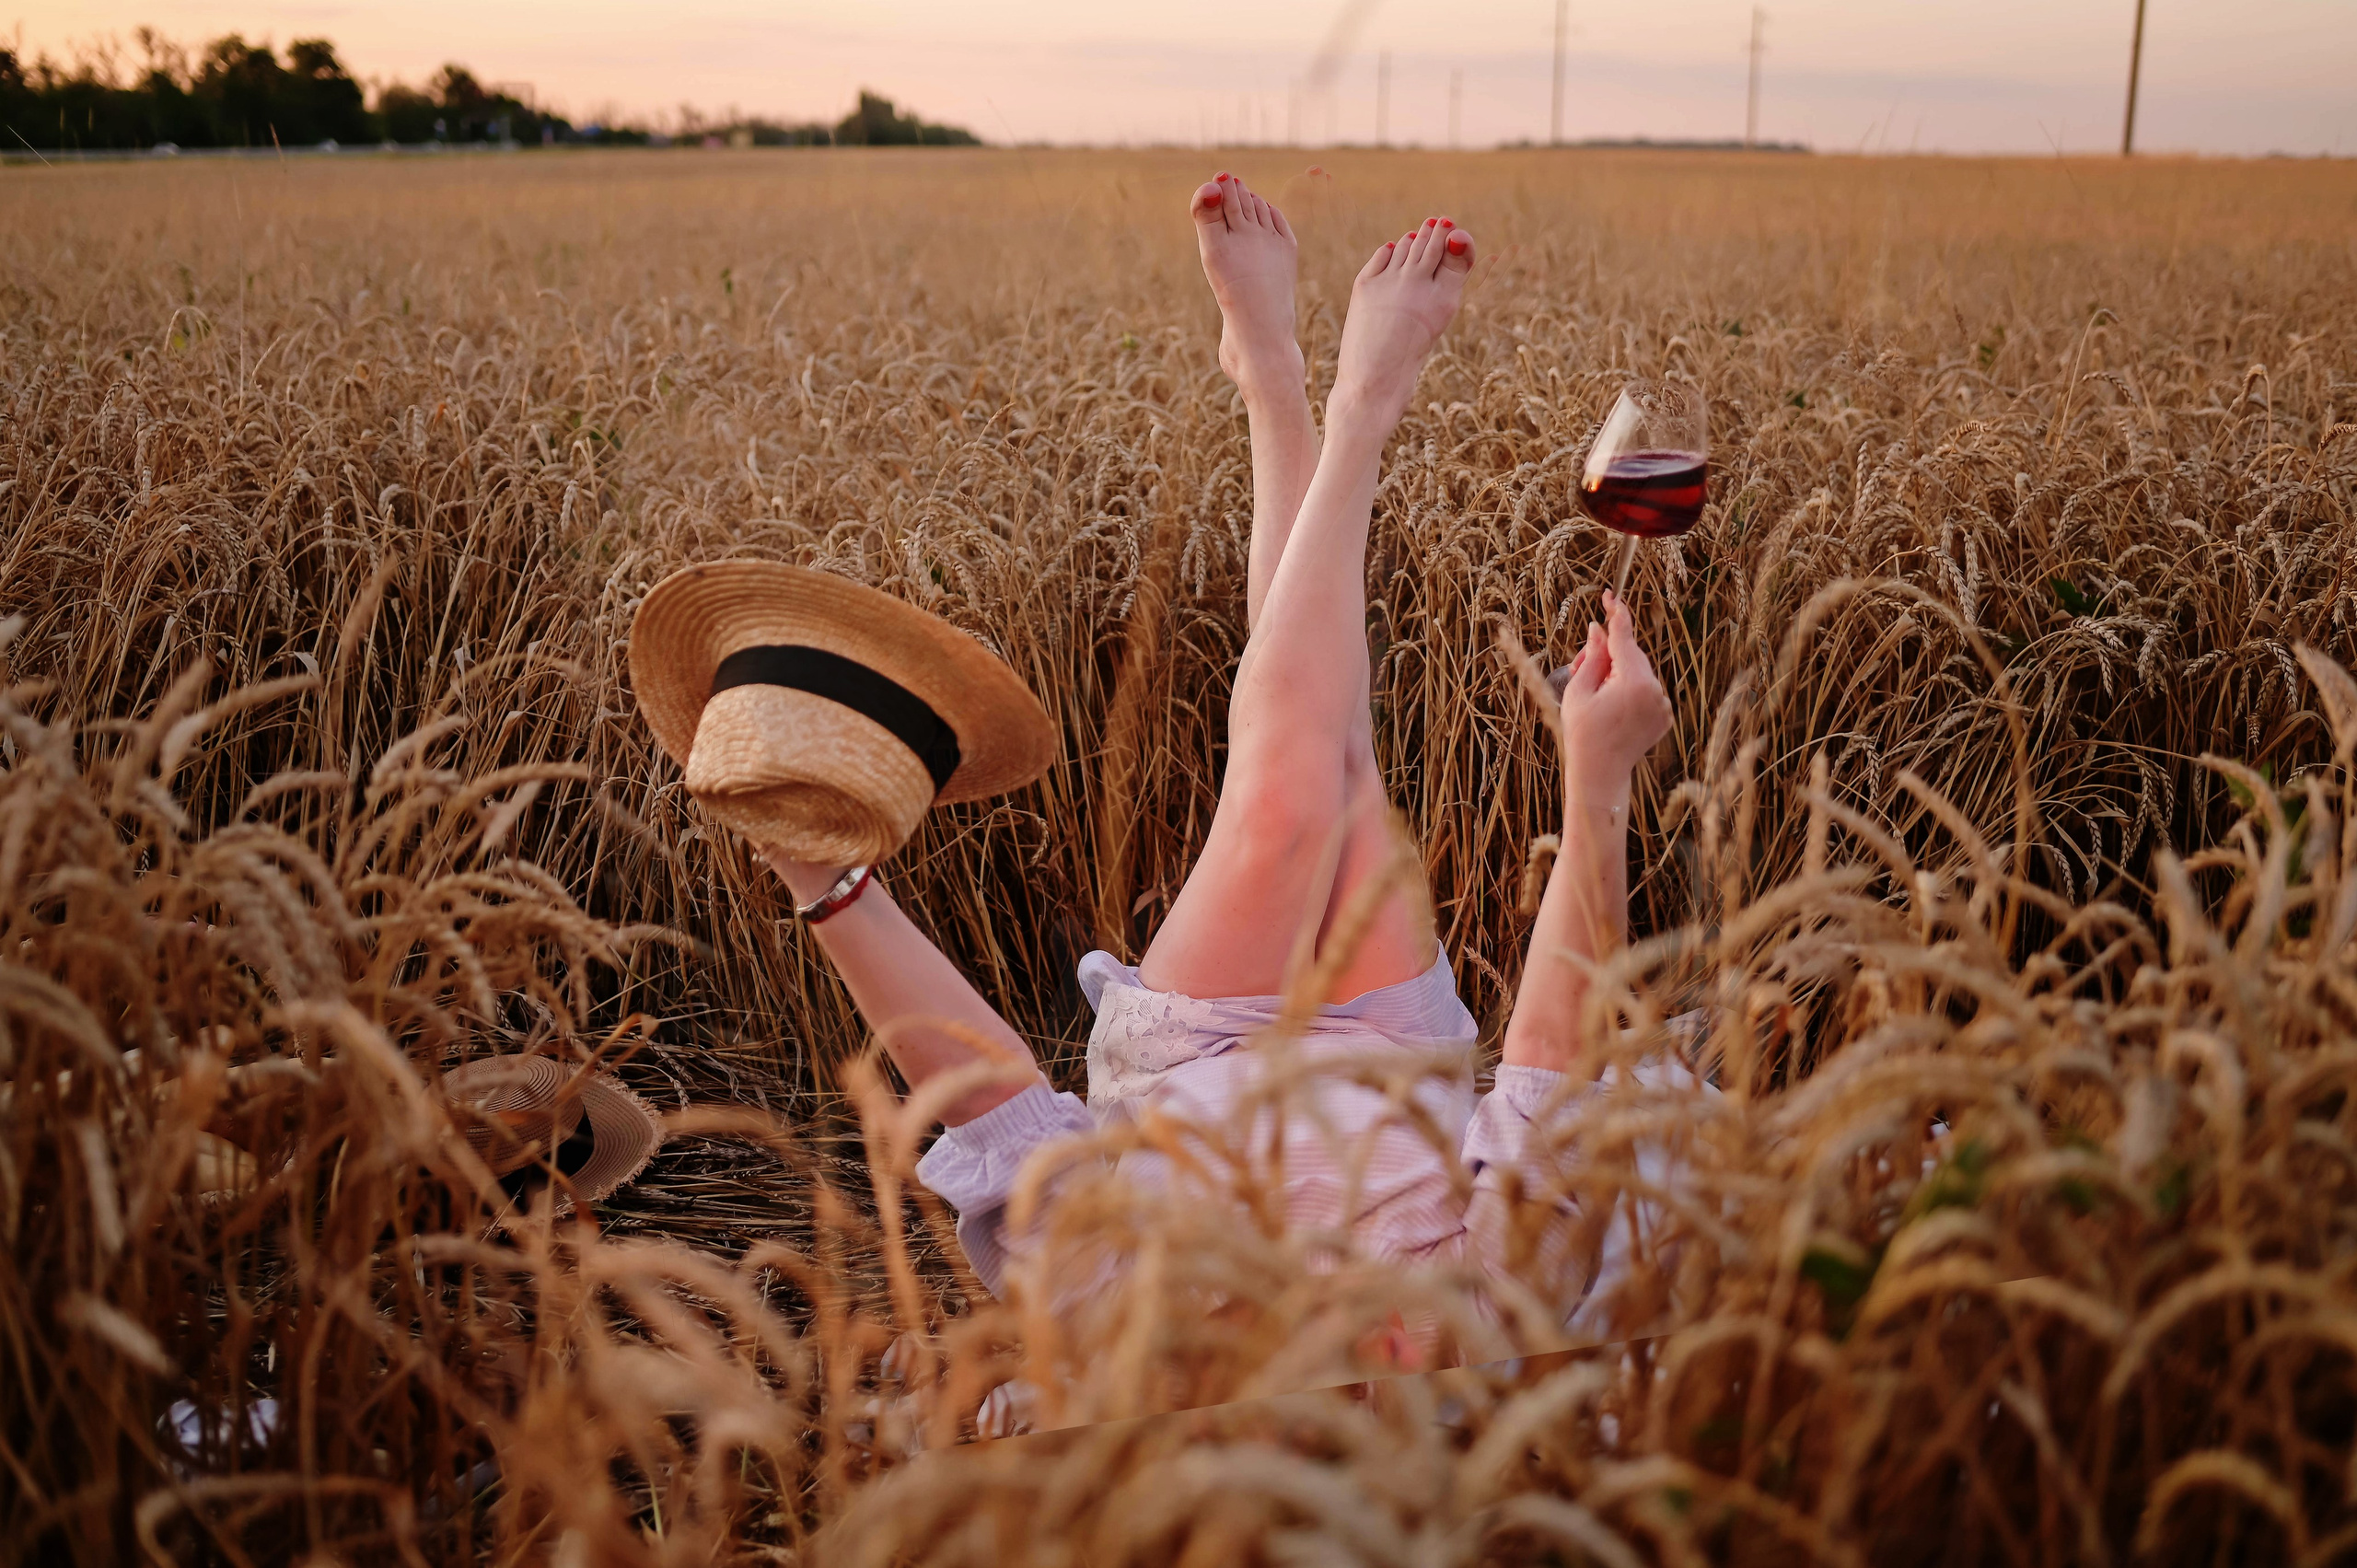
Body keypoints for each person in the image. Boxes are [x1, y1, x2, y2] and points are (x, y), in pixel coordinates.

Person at [761, 173, 1676, 1316]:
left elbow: (1002, 1113)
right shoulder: (1472, 1342)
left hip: (1196, 1051)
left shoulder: (1117, 1330)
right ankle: (1299, 396)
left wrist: (820, 878)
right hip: (1392, 1049)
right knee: (1327, 758)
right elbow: (1545, 1086)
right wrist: (1597, 785)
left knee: (1294, 786)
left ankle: (1328, 405)